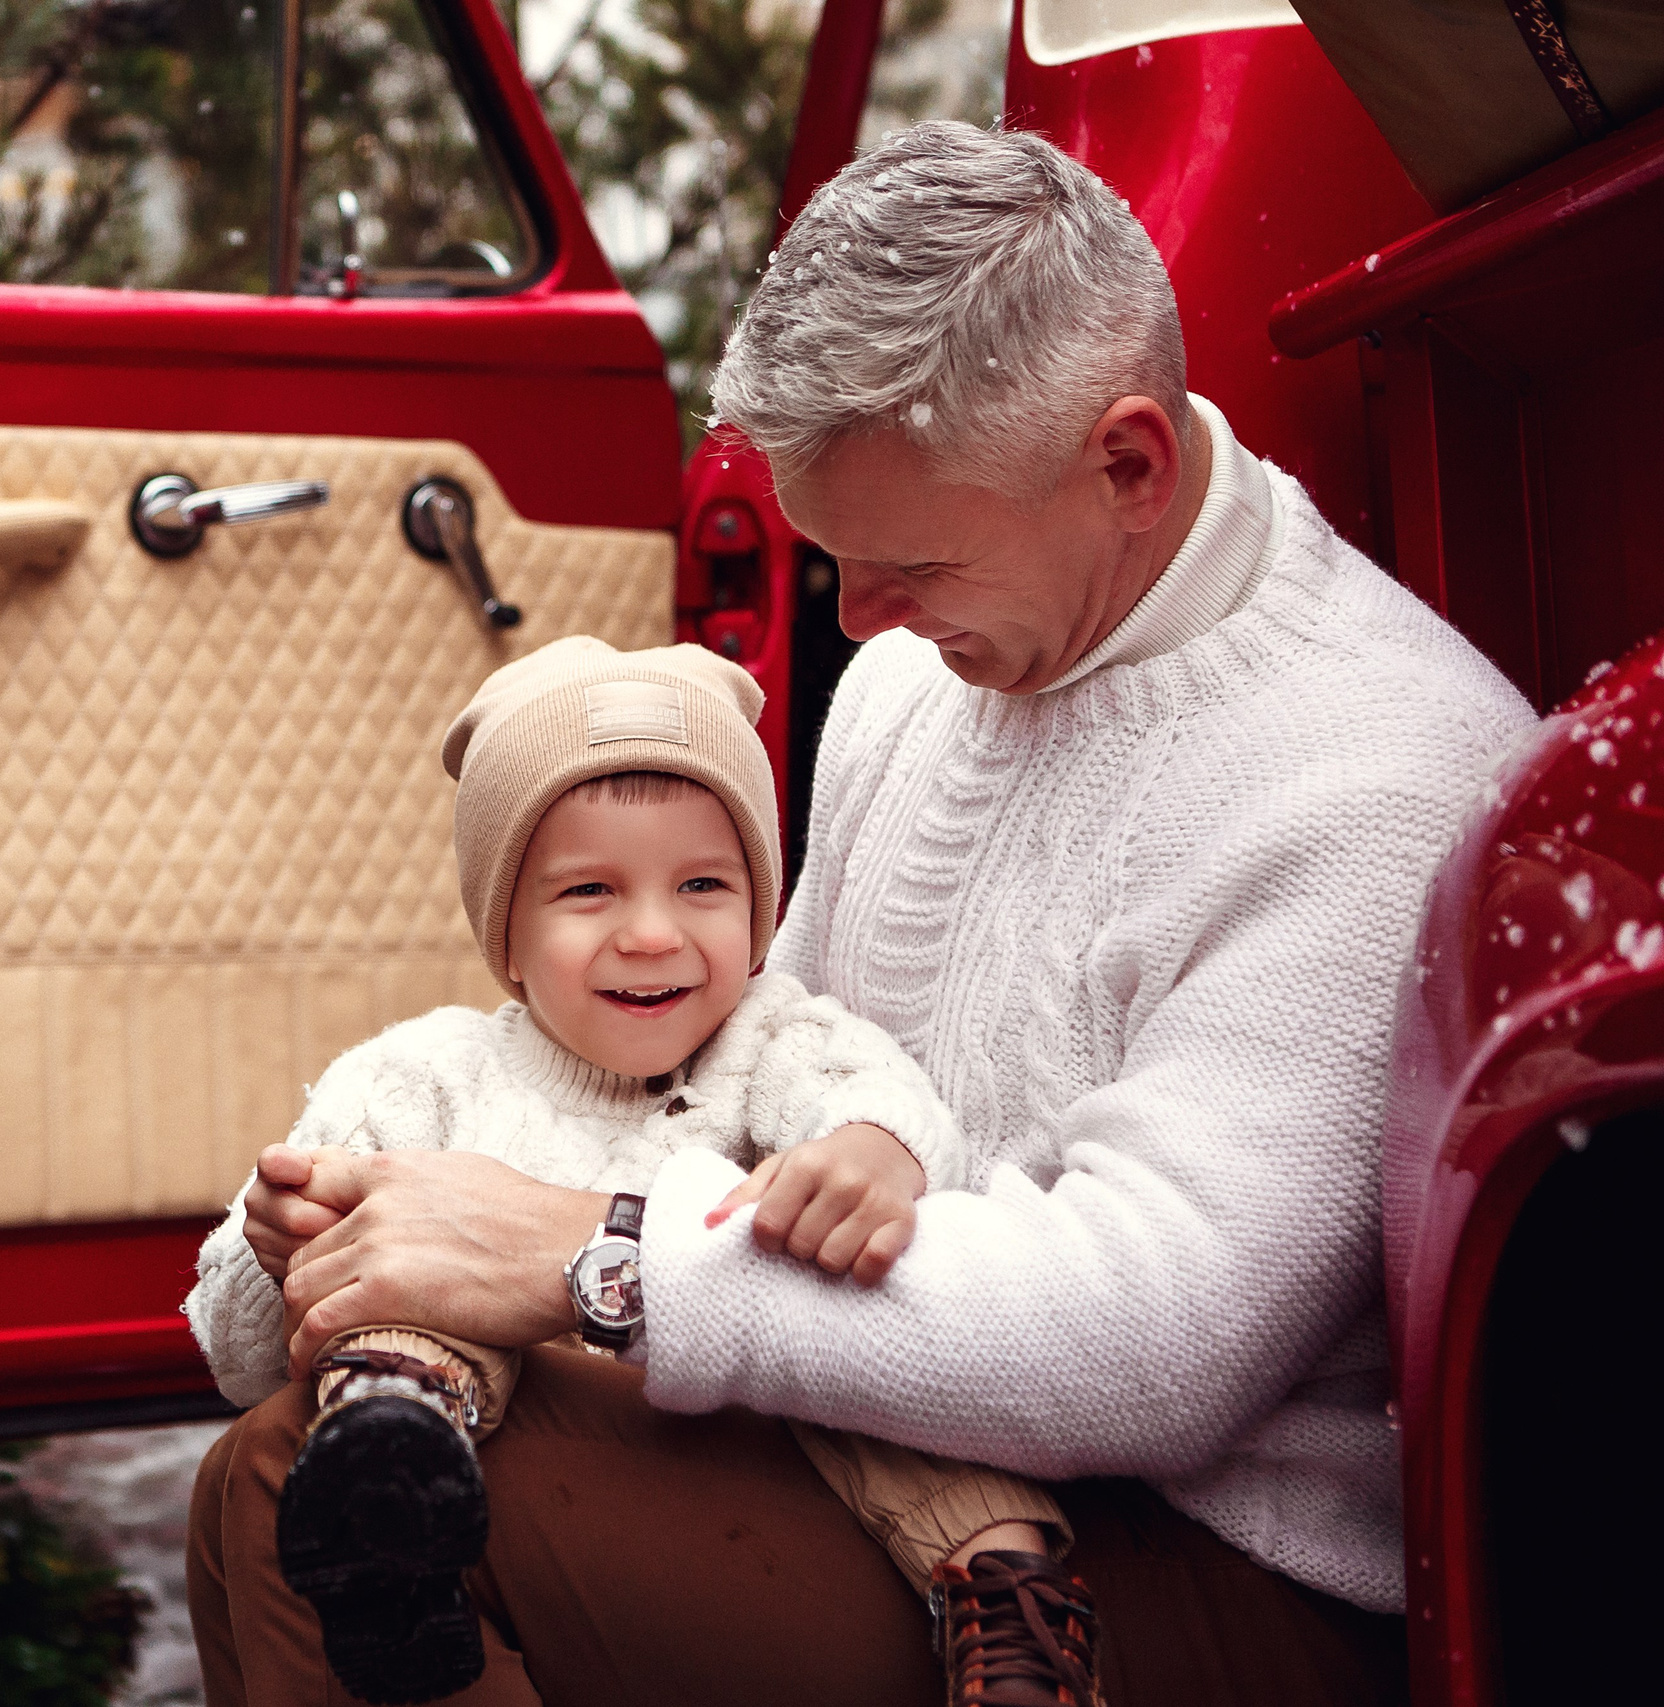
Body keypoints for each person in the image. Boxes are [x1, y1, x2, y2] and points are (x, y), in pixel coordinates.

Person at [189, 119, 1536, 1705]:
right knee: (322, 1463)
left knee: (284, 1503)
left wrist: (593, 1256)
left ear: (1127, 464)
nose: (858, 619)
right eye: (834, 556)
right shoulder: (919, 677)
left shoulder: (1380, 773)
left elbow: (1160, 1344)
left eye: (910, 562)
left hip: (1210, 1566)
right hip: (883, 1442)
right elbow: (771, 1077)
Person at [186, 637, 1092, 1705]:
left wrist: (867, 1153)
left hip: (770, 1465)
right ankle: (390, 1505)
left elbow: (882, 1101)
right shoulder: (419, 1081)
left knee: (862, 1334)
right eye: (590, 891)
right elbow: (240, 1355)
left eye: (703, 884)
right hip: (520, 1467)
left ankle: (1007, 1602)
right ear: (505, 935)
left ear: (759, 911)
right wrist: (280, 1246)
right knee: (411, 1291)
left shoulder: (774, 1040)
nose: (654, 933)